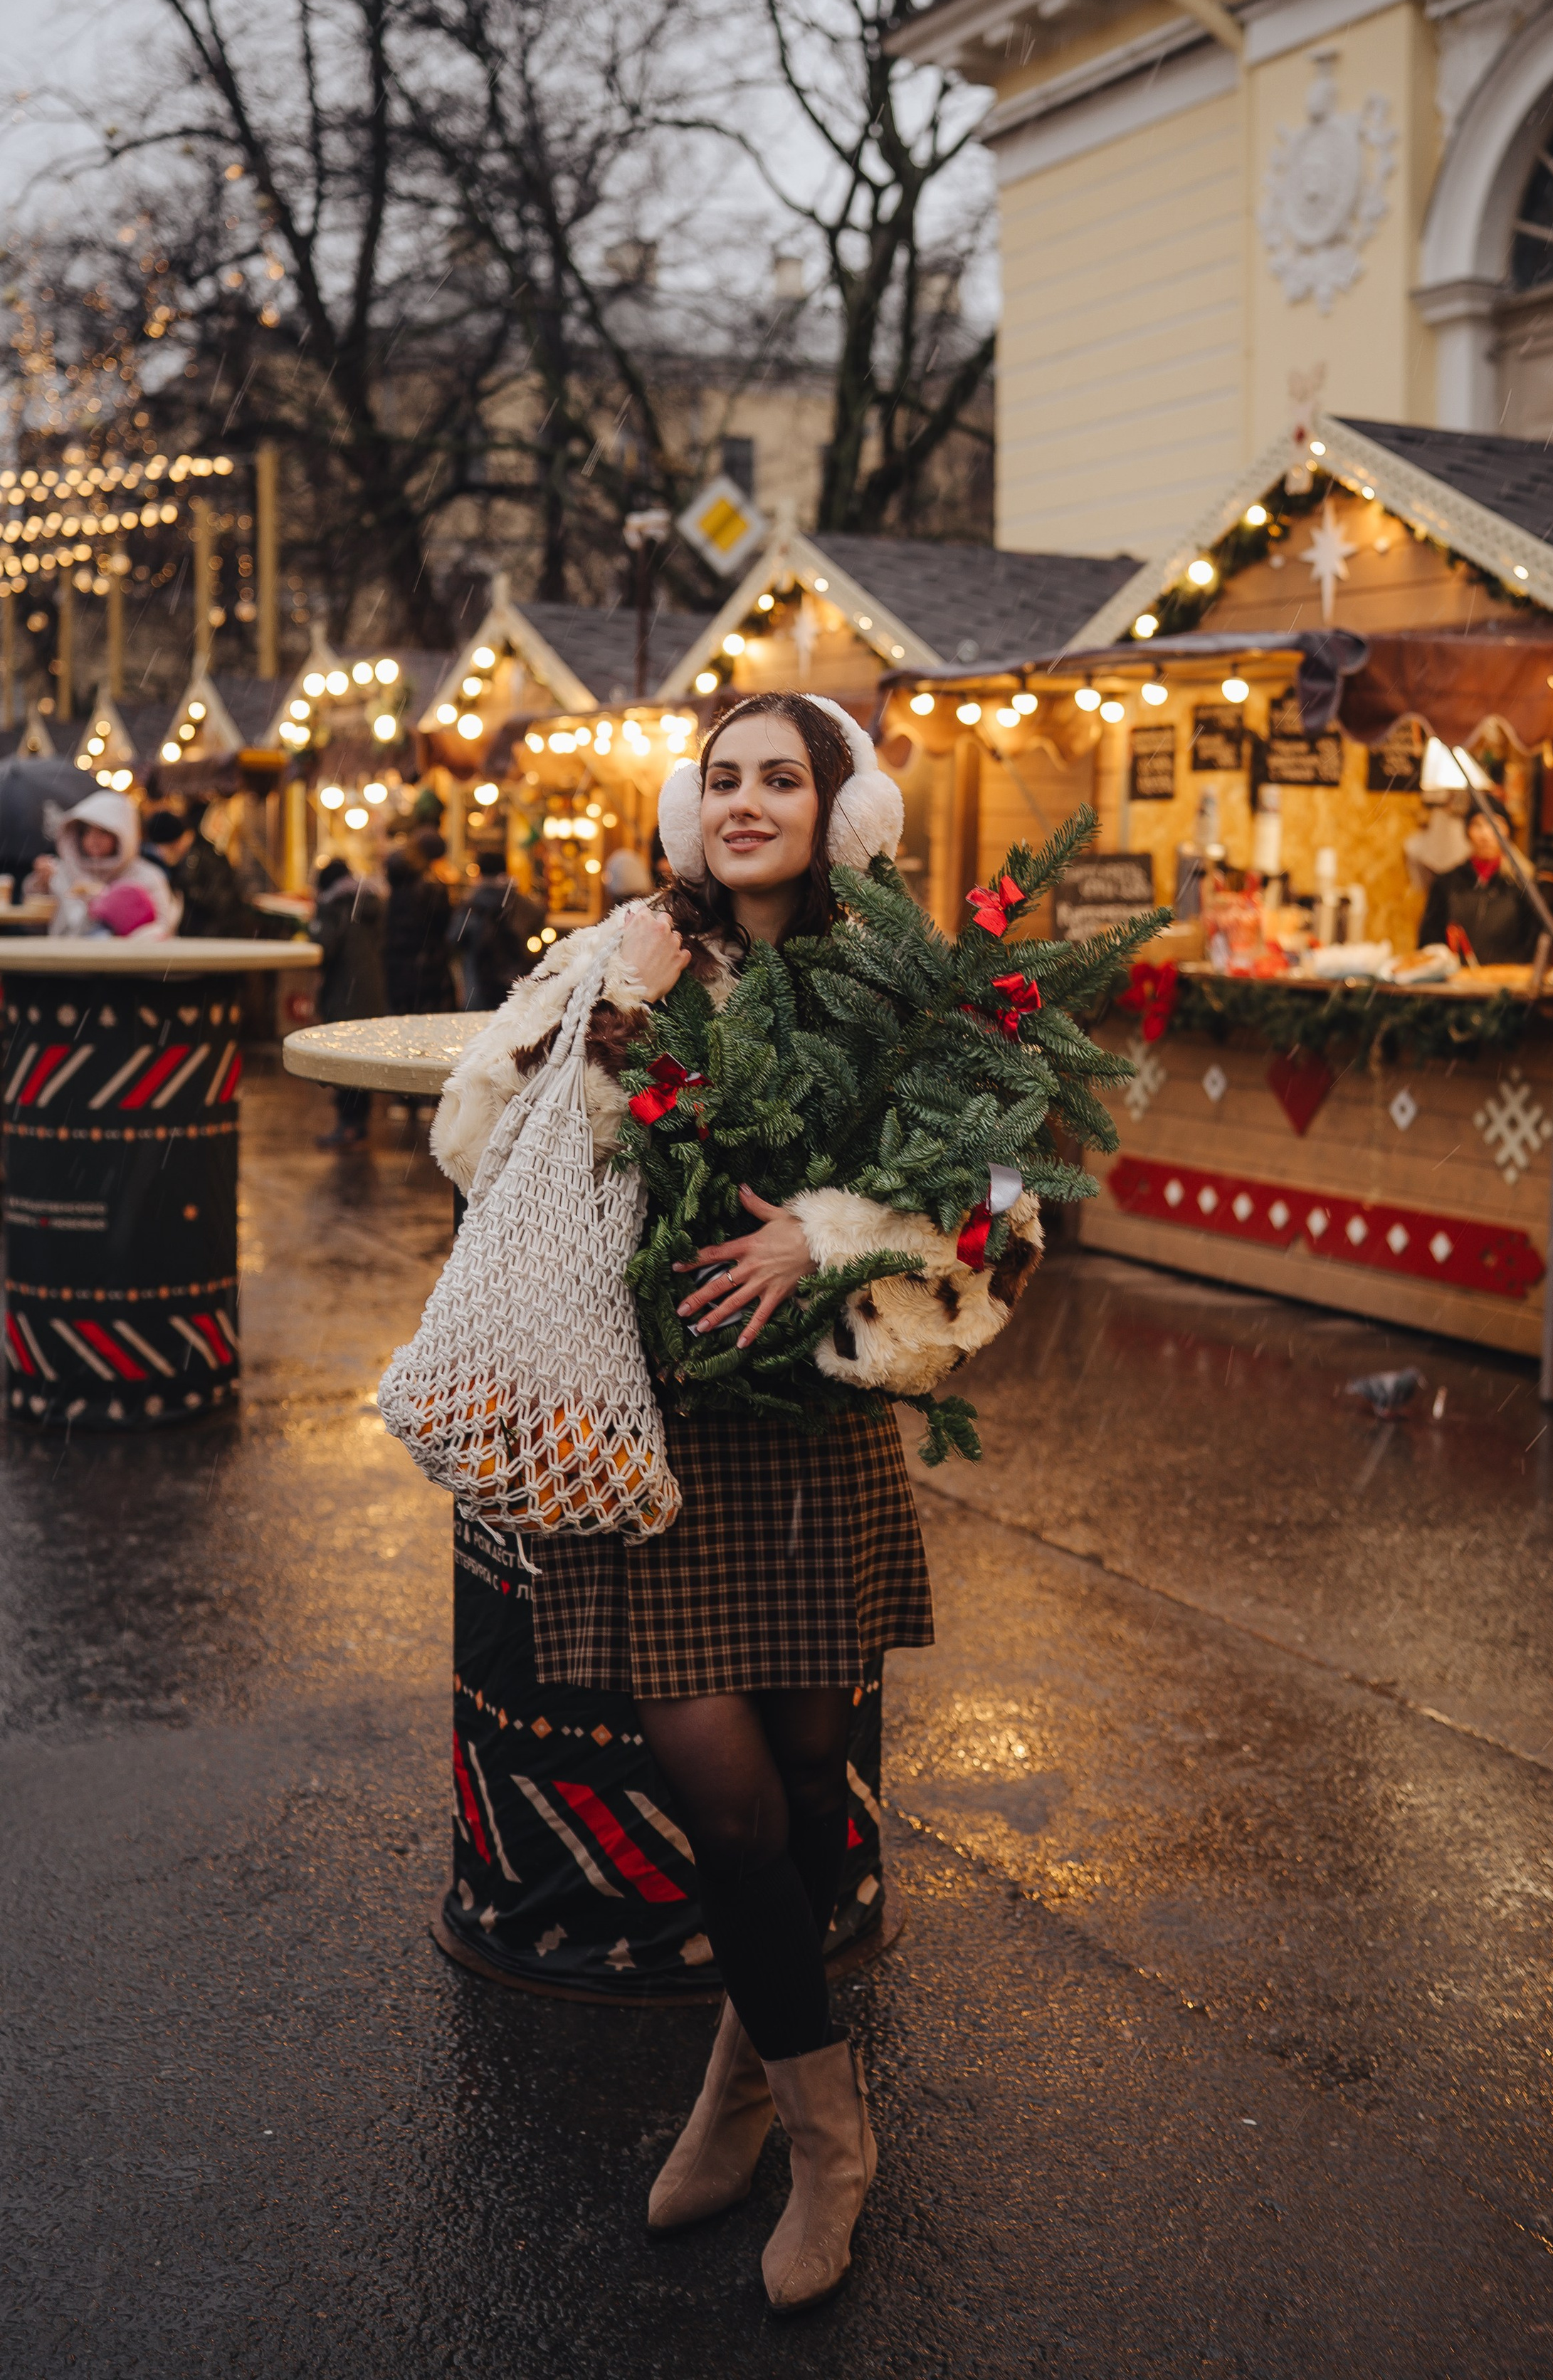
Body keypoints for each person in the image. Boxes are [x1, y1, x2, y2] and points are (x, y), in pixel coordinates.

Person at [430, 693, 1046, 2315]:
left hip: (811, 1437)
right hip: (651, 1438)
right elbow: (484, 1143)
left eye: (785, 774)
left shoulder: (898, 981)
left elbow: (1002, 1202)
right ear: (685, 804)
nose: (750, 798)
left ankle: (740, 2083)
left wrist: (823, 1234)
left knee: (806, 1774)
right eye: (725, 776)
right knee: (726, 1799)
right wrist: (603, 1020)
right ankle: (833, 2134)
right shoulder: (621, 952)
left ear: (841, 807)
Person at [307, 855, 386, 1148]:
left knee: (343, 1059)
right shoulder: (371, 901)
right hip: (370, 987)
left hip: (343, 989)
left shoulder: (333, 906)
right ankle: (358, 1122)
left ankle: (348, 1124)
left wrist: (314, 924)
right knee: (360, 1057)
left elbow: (324, 948)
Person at [33, 788, 180, 939]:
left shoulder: (148, 876)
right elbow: (36, 926)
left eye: (103, 832)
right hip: (70, 959)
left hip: (127, 960)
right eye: (88, 832)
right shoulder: (64, 871)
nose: (94, 840)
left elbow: (163, 927)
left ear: (122, 834)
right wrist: (41, 885)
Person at [1416, 796, 1547, 964]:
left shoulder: (1522, 885)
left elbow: (1533, 945)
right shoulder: (1446, 884)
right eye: (1478, 825)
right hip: (1455, 984)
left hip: (1506, 984)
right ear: (1468, 832)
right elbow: (1429, 943)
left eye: (1495, 825)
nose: (1485, 834)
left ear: (1508, 832)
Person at [141, 805, 258, 938]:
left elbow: (223, 909)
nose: (161, 853)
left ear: (175, 843)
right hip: (205, 943)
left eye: (163, 848)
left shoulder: (202, 861)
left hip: (212, 944)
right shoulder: (197, 856)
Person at [448, 846, 535, 1010]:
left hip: (478, 983)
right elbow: (537, 917)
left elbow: (454, 937)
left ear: (480, 871)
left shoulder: (472, 901)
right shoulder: (518, 900)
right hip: (515, 980)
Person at [381, 842, 454, 1016]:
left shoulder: (391, 898)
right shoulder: (433, 890)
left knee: (402, 1019)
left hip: (398, 971)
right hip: (431, 968)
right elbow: (447, 927)